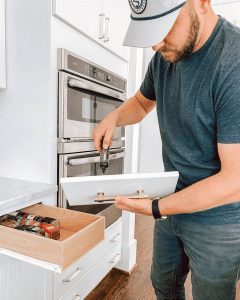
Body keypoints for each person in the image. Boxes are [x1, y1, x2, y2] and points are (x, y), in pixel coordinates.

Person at [93, 0, 240, 299]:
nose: (155, 44)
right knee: (164, 285)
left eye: (163, 28)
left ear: (201, 3)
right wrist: (115, 117)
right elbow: (142, 102)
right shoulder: (165, 57)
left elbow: (234, 180)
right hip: (171, 201)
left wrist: (155, 207)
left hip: (218, 219)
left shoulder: (233, 65)